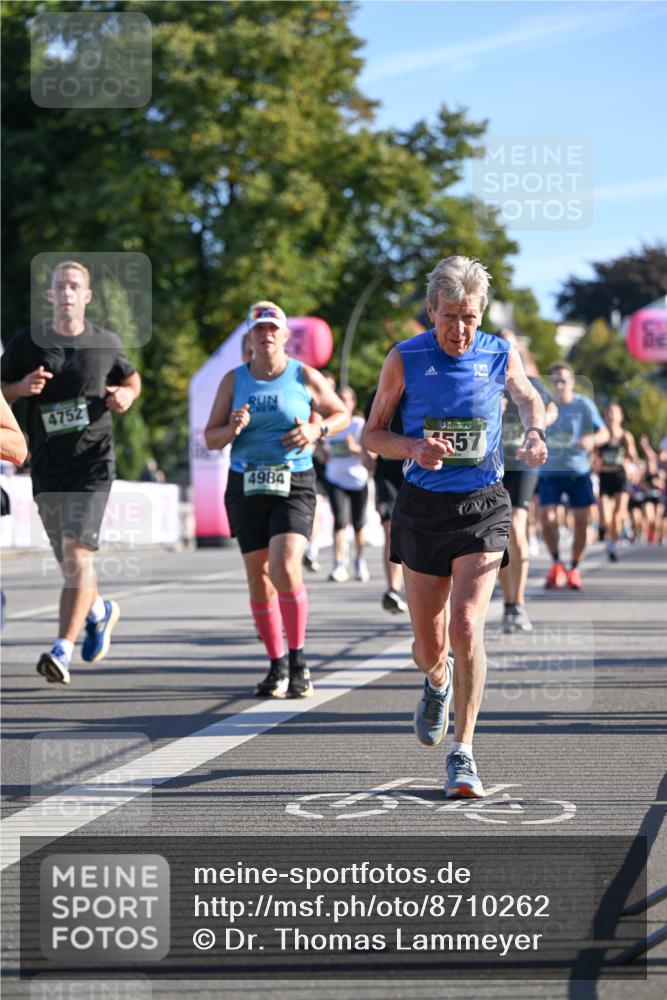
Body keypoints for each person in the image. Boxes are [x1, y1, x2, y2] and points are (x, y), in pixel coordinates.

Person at [363, 256, 547, 799]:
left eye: (469, 317)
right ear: (430, 311)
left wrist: (535, 432)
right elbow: (372, 435)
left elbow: (529, 396)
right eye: (449, 317)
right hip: (422, 509)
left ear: (481, 313)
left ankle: (462, 754)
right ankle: (436, 682)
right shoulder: (404, 359)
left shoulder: (498, 352)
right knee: (429, 645)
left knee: (467, 626)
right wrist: (413, 447)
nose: (459, 330)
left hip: (484, 506)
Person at [0, 260, 141, 683]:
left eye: (73, 286)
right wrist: (20, 389)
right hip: (46, 466)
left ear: (87, 296)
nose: (65, 292)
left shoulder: (105, 342)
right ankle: (99, 610)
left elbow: (132, 381)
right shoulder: (28, 343)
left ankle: (62, 649)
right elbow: (0, 392)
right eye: (59, 286)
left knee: (78, 554)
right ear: (49, 295)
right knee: (70, 563)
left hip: (93, 463)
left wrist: (125, 396)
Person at [205, 301, 348, 698]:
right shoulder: (234, 381)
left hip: (294, 480)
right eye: (259, 329)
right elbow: (210, 438)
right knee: (259, 577)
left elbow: (340, 414)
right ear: (249, 338)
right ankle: (276, 664)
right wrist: (231, 428)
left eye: (273, 329)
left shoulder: (303, 375)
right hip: (246, 483)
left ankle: (299, 659)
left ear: (285, 336)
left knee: (285, 566)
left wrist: (316, 430)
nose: (266, 335)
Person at [496, 330, 558, 632]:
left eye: (513, 346)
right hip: (489, 465)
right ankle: (505, 595)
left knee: (514, 527)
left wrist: (538, 429)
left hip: (521, 464)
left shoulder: (530, 383)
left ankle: (515, 604)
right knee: (495, 535)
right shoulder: (483, 381)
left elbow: (551, 408)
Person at [538, 363, 608, 590]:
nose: (559, 385)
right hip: (550, 472)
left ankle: (575, 568)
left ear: (572, 383)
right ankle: (557, 563)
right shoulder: (546, 406)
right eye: (555, 381)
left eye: (563, 381)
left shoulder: (583, 405)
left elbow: (604, 432)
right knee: (547, 519)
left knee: (581, 522)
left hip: (578, 472)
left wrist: (592, 440)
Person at [363, 385, 408, 614]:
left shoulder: (422, 387)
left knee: (416, 530)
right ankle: (393, 589)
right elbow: (369, 428)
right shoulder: (377, 394)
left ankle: (418, 586)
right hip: (387, 471)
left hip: (416, 468)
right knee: (390, 528)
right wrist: (366, 453)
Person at [324, 386, 371, 583]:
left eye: (346, 399)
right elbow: (324, 455)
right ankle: (339, 564)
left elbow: (370, 456)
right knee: (340, 521)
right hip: (335, 479)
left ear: (352, 403)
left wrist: (354, 448)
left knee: (359, 524)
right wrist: (324, 451)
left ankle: (359, 561)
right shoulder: (331, 425)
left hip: (357, 480)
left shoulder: (358, 424)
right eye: (339, 399)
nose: (343, 402)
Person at [595, 403, 638, 561]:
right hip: (605, 476)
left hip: (620, 476)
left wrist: (630, 464)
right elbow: (594, 456)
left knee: (618, 514)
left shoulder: (625, 436)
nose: (611, 416)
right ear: (605, 417)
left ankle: (613, 543)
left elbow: (633, 456)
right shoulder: (601, 435)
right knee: (606, 516)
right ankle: (609, 536)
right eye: (608, 413)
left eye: (614, 413)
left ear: (620, 416)